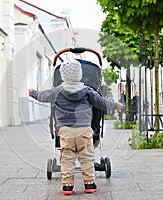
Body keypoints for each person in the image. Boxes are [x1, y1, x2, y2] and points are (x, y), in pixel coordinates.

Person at [28, 57, 123, 195]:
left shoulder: (57, 91)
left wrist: (33, 93)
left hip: (65, 131)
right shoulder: (88, 90)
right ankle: (89, 184)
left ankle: (67, 185)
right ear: (80, 74)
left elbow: (43, 96)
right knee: (87, 158)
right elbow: (101, 102)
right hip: (84, 130)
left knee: (67, 158)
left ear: (62, 75)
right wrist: (116, 105)